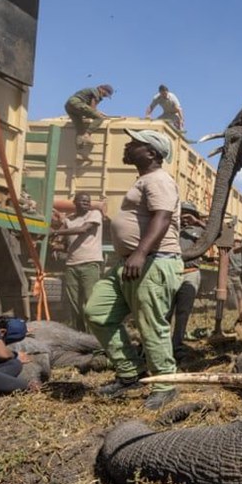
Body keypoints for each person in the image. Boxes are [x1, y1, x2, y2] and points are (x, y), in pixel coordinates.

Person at [84, 128, 182, 410]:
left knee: (151, 325)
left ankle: (165, 385)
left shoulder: (159, 179)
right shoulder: (143, 180)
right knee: (98, 313)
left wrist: (140, 252)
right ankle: (130, 373)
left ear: (151, 152)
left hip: (153, 260)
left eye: (134, 143)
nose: (127, 146)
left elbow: (162, 217)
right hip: (130, 262)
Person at [53, 192, 103, 332]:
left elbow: (83, 230)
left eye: (88, 201)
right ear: (75, 203)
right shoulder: (69, 220)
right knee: (74, 302)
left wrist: (56, 232)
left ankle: (94, 335)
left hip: (90, 264)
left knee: (90, 303)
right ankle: (80, 333)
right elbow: (66, 244)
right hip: (71, 265)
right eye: (83, 201)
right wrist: (55, 246)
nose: (86, 203)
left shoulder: (94, 214)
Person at [167, 202, 205, 357]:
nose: (184, 217)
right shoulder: (171, 228)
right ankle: (162, 344)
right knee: (166, 311)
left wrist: (198, 222)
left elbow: (219, 233)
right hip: (171, 272)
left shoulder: (200, 230)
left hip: (190, 273)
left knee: (183, 311)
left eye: (188, 214)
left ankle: (177, 344)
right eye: (182, 213)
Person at [64, 84, 113, 162]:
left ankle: (79, 153)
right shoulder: (95, 91)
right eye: (105, 94)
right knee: (99, 118)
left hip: (70, 107)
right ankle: (87, 135)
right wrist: (97, 113)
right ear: (101, 89)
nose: (105, 96)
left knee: (80, 131)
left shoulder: (90, 91)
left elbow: (90, 108)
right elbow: (92, 107)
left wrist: (96, 112)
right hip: (77, 103)